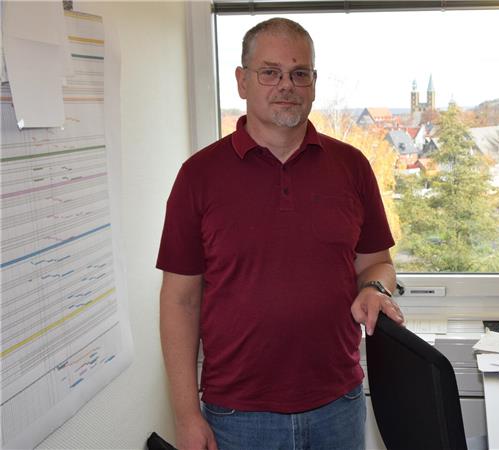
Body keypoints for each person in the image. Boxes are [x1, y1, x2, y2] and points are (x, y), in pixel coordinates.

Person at [157, 17, 404, 450]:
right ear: (242, 81)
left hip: (338, 404)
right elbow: (180, 300)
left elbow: (377, 264)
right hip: (237, 416)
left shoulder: (351, 167)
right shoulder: (198, 175)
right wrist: (185, 415)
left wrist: (374, 288)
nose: (286, 85)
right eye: (270, 72)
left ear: (313, 83)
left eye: (299, 73)